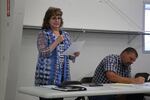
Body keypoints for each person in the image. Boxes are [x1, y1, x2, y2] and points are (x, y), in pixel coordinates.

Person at [34, 7, 80, 100]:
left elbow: (67, 54)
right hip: (47, 77)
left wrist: (74, 54)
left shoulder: (65, 34)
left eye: (59, 18)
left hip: (62, 76)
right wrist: (56, 42)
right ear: (48, 20)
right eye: (54, 18)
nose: (57, 20)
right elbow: (43, 53)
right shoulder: (43, 34)